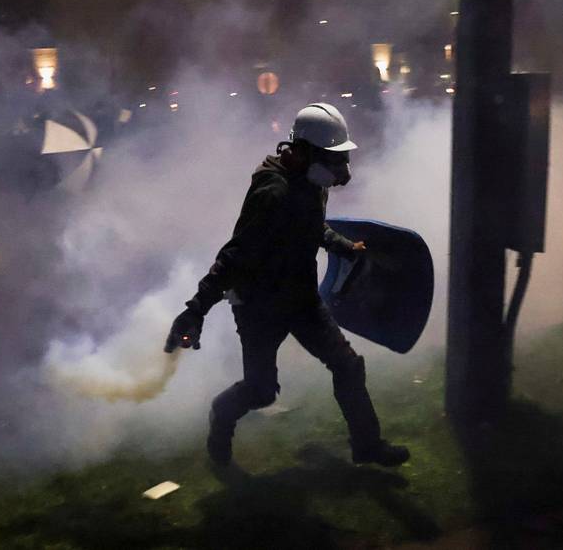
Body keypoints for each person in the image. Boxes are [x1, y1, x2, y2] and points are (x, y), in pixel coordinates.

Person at [164, 103, 409, 467]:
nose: (342, 173)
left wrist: (341, 246)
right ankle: (221, 416)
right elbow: (235, 256)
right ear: (304, 151)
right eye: (334, 159)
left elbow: (309, 226)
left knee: (348, 366)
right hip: (259, 307)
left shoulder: (311, 182)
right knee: (261, 391)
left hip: (301, 300)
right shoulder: (272, 193)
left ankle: (367, 445)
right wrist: (195, 310)